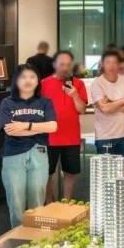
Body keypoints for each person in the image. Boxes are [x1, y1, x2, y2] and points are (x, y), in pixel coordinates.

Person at [0, 65, 57, 228]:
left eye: (32, 77)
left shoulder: (45, 102)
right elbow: (10, 130)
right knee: (16, 199)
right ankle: (18, 236)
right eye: (23, 77)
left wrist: (25, 126)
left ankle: (36, 238)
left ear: (38, 81)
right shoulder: (7, 103)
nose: (28, 80)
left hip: (39, 152)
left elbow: (53, 127)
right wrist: (40, 128)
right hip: (13, 155)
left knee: (37, 198)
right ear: (16, 80)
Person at [41, 51, 88, 202]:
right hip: (49, 137)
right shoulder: (43, 84)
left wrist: (74, 95)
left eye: (68, 65)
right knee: (47, 173)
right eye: (62, 64)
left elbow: (82, 110)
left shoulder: (78, 84)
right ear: (54, 65)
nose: (65, 68)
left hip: (71, 137)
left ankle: (66, 204)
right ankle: (50, 204)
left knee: (70, 173)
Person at [90, 50, 124, 169]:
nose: (111, 66)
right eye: (108, 62)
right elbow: (104, 109)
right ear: (102, 64)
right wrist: (123, 100)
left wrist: (111, 104)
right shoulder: (97, 83)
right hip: (104, 136)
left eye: (114, 62)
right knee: (106, 173)